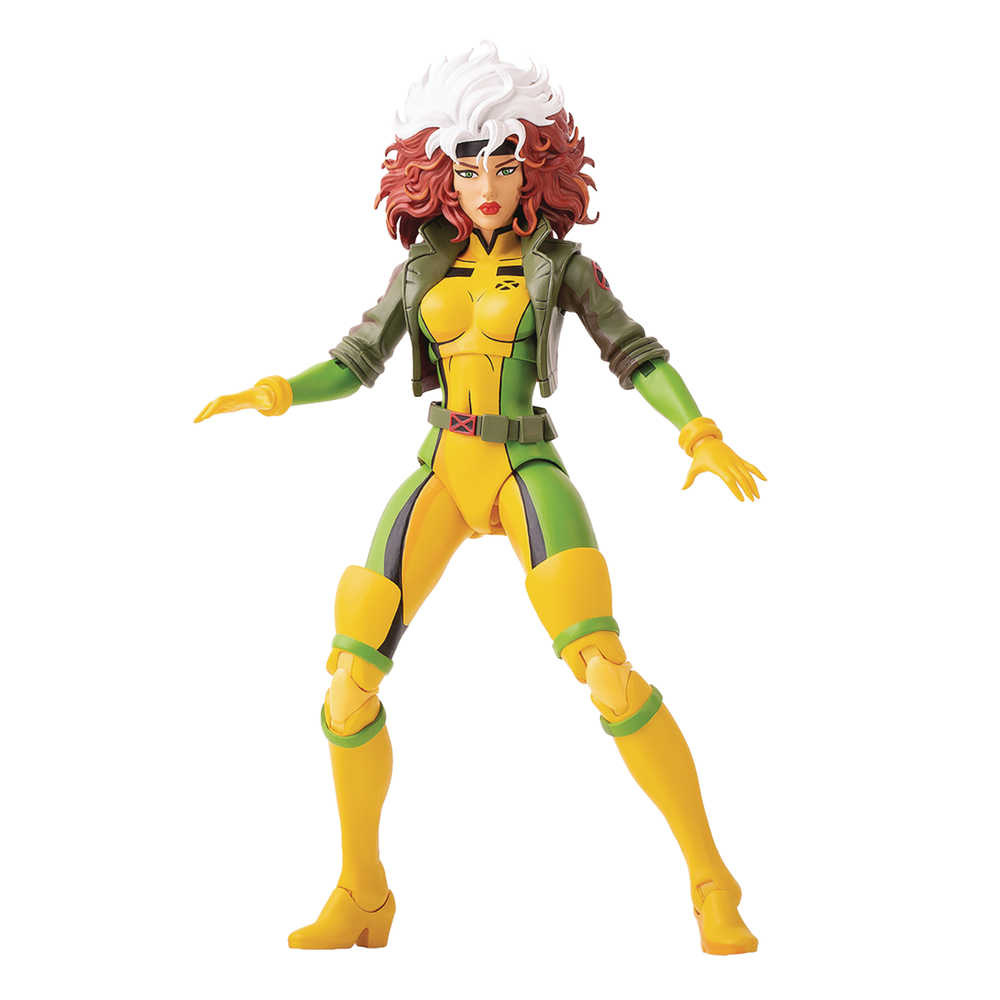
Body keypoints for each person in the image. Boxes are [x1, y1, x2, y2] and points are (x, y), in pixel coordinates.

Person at [196, 43, 764, 955]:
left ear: (534, 166)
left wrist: (699, 431)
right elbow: (356, 360)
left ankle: (711, 881)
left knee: (607, 672)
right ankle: (362, 892)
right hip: (443, 468)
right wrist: (278, 392)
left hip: (523, 467)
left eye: (504, 164)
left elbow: (636, 353)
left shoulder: (559, 266)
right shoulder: (422, 269)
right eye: (467, 167)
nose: (487, 185)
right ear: (440, 172)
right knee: (346, 690)